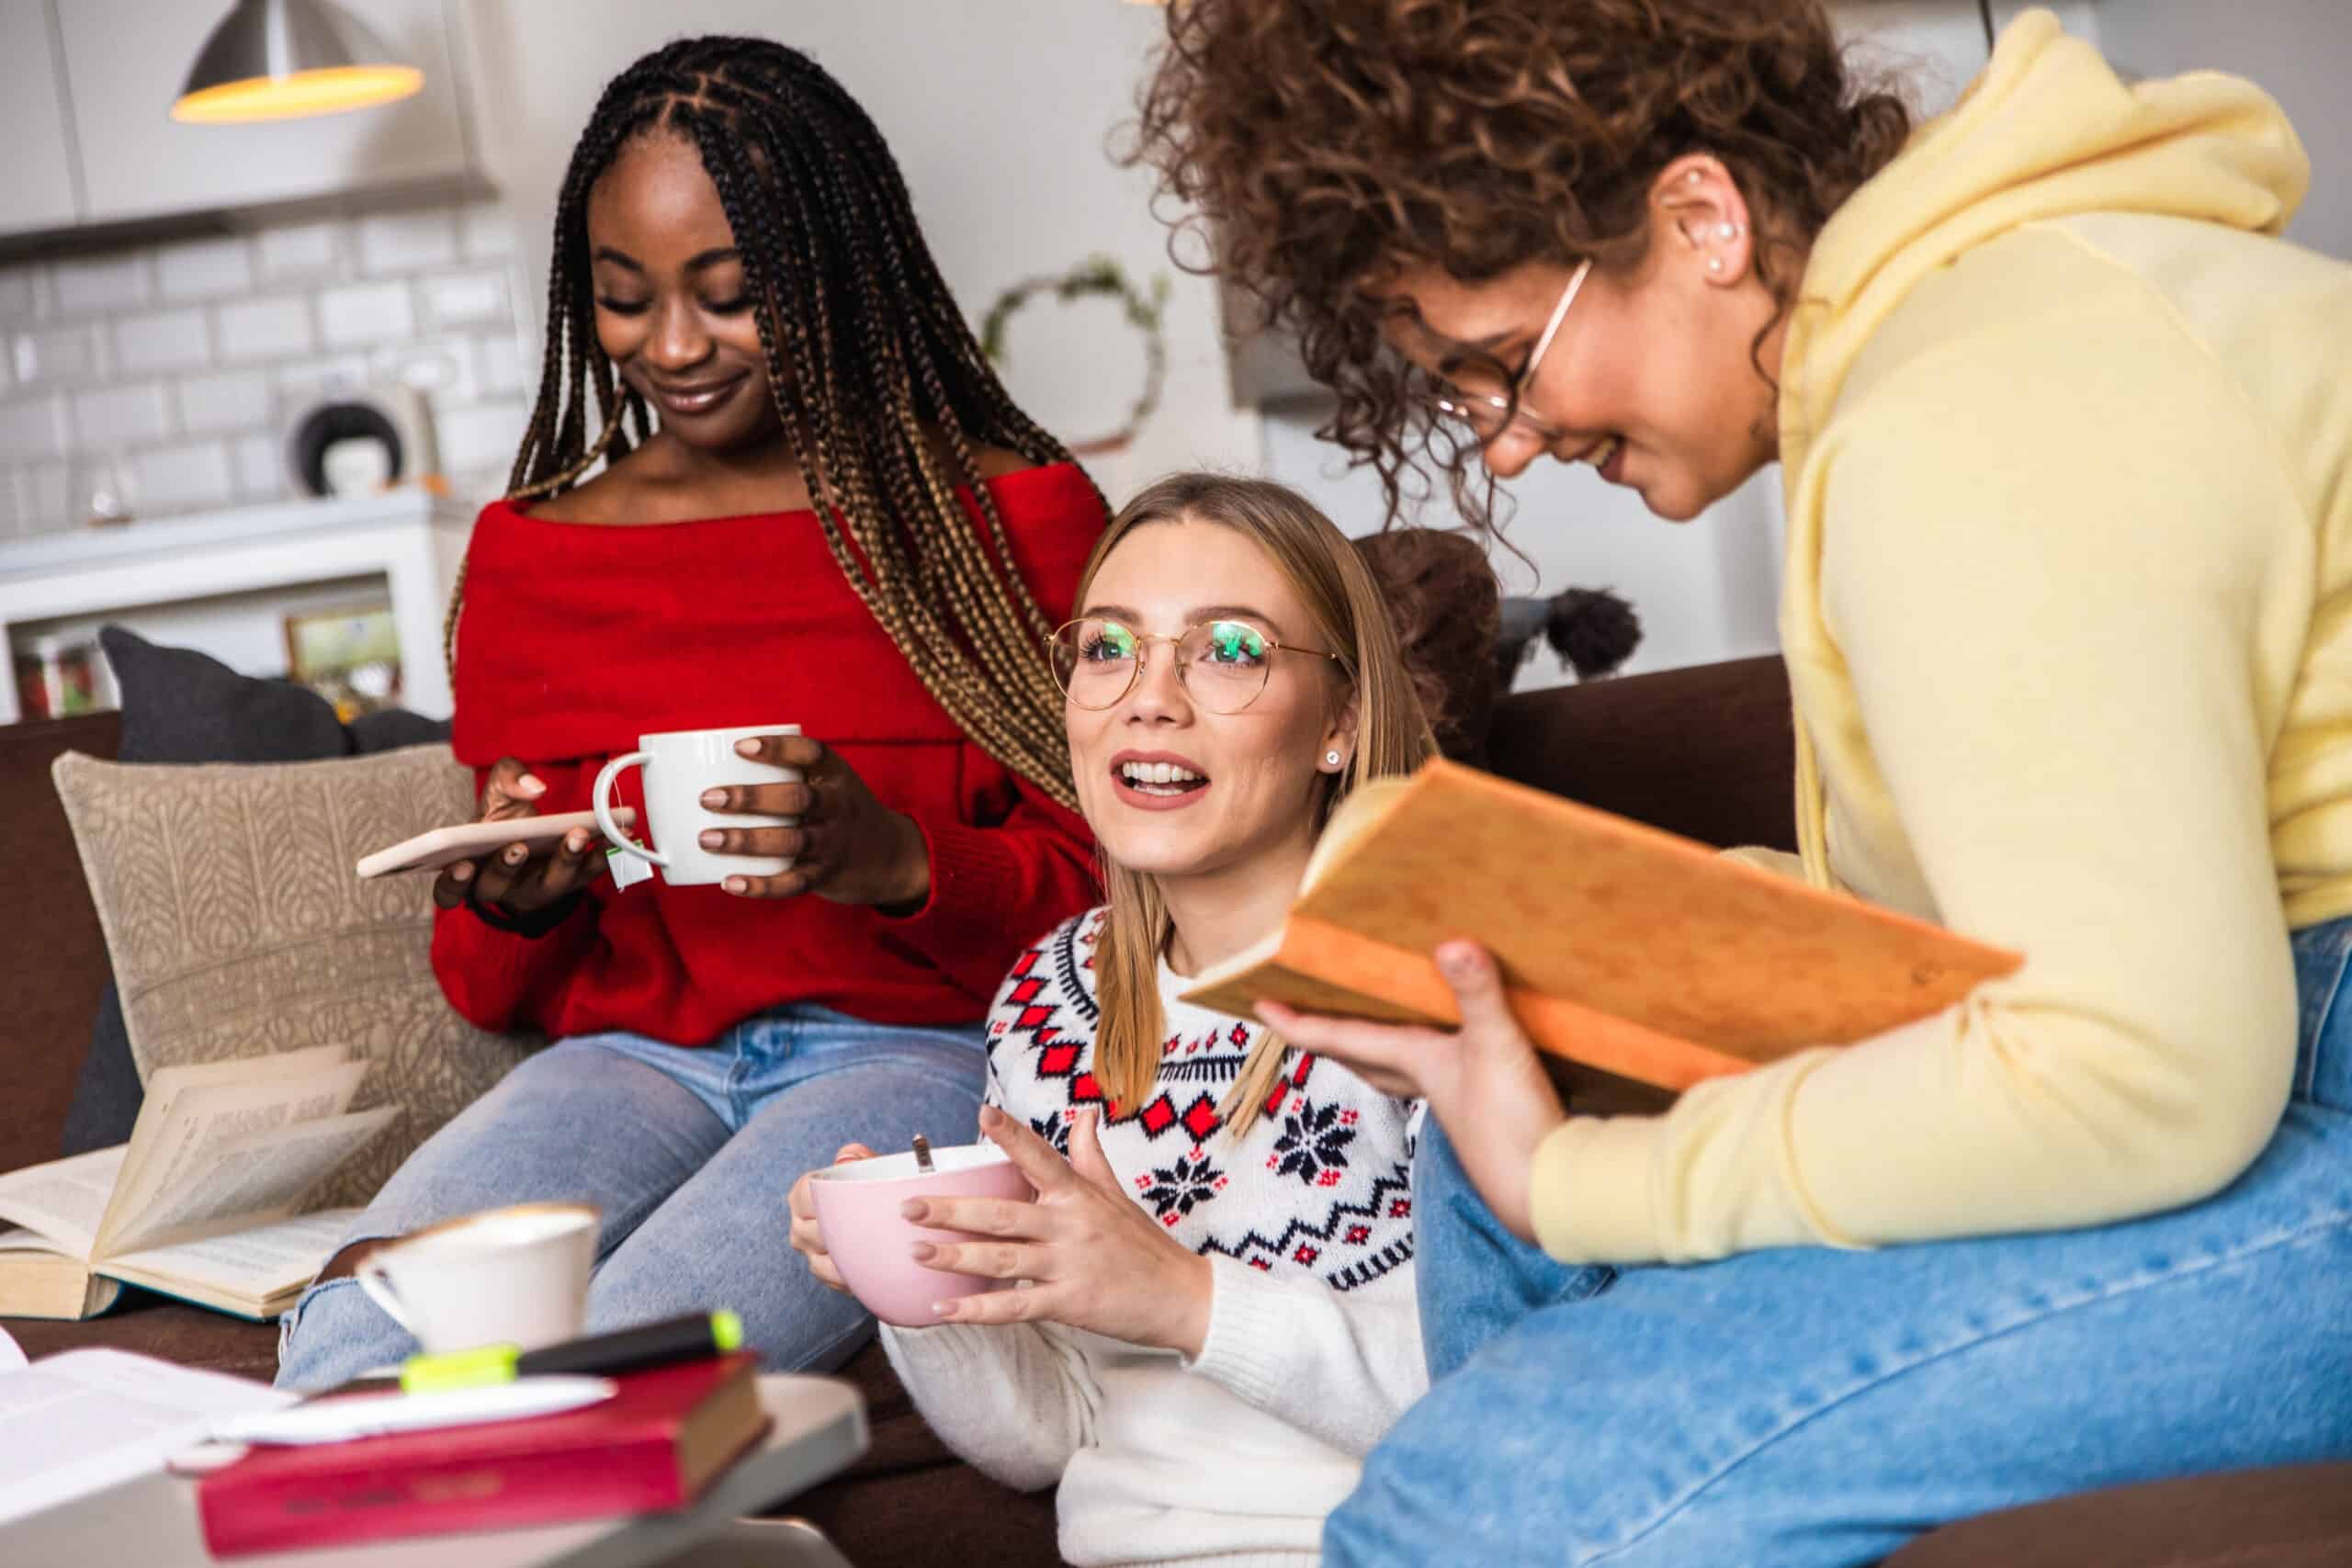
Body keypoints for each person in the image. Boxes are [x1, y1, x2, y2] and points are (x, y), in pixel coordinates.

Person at [1130, 4, 2352, 1563]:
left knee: (1477, 1501)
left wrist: (1586, 1181)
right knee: (1500, 1086)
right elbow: (2018, 911)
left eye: (1502, 365)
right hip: (2271, 1025)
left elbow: (2142, 1065)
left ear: (1699, 218)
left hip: (2280, 1066)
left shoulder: (1985, 404)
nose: (1507, 447)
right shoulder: (1947, 357)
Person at [276, 36, 1106, 1390]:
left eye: (729, 296)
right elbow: (488, 987)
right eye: (623, 298)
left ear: (836, 279)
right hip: (622, 1061)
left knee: (608, 1380)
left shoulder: (1007, 523)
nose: (670, 346)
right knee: (357, 1344)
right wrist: (519, 899)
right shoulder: (536, 552)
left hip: (918, 1056)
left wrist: (895, 858)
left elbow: (1130, 908)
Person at [789, 474, 1436, 1564]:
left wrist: (1182, 1298)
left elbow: (1520, 1391)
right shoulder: (1050, 997)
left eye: (1229, 650)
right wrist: (912, 1282)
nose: (1149, 696)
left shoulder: (1440, 979)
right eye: (1107, 647)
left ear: (1342, 721)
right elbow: (1046, 1438)